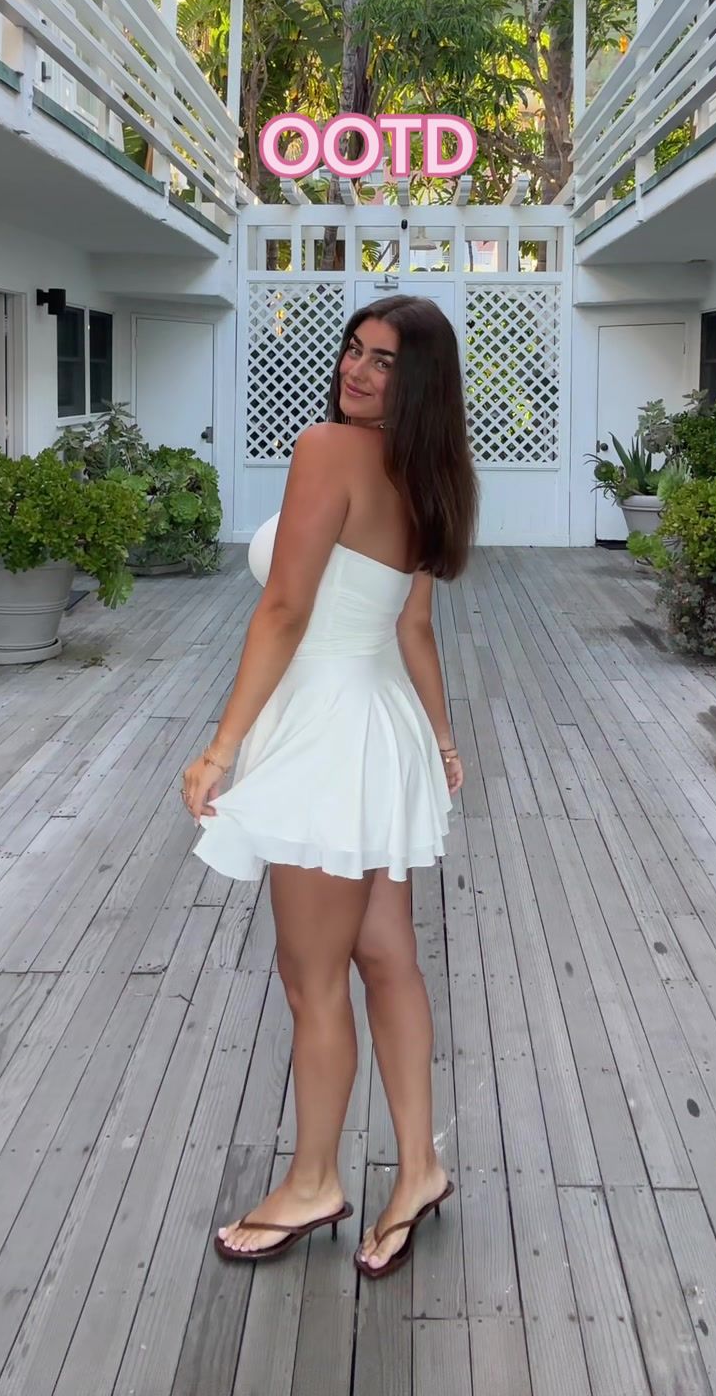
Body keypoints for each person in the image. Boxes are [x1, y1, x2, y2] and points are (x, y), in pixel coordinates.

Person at [183, 294, 477, 1278]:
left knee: (313, 980)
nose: (357, 370)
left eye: (385, 361)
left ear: (418, 381)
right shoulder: (427, 472)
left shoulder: (326, 450)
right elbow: (411, 625)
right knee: (387, 958)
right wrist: (439, 737)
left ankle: (314, 1183)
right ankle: (419, 1168)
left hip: (327, 737)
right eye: (354, 350)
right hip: (380, 728)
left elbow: (284, 609)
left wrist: (221, 748)